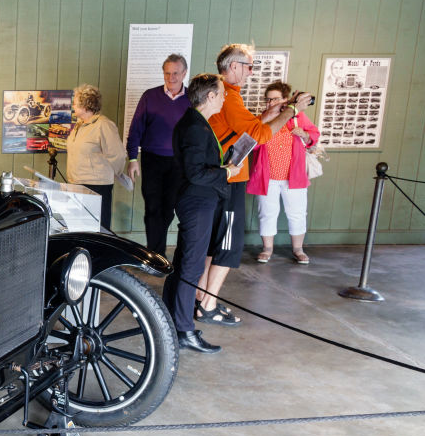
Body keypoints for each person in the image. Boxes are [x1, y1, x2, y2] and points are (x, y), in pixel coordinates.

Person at [196, 44, 313, 326]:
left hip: (222, 178)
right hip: (229, 179)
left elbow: (249, 127)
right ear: (234, 66)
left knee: (213, 244)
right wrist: (292, 110)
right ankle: (207, 305)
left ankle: (201, 299)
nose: (251, 72)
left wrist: (274, 111)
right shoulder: (229, 96)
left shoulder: (227, 94)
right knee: (226, 246)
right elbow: (259, 135)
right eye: (249, 66)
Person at [161, 73, 238, 354]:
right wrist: (226, 172)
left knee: (184, 262)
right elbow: (195, 173)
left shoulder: (195, 122)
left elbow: (198, 166)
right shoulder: (195, 126)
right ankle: (183, 330)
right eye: (222, 93)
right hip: (196, 202)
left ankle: (168, 320)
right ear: (210, 96)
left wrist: (223, 166)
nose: (225, 98)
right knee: (192, 267)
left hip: (195, 200)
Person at [125, 54, 191, 256]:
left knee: (168, 209)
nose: (171, 78)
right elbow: (136, 128)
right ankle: (156, 255)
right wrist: (133, 159)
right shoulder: (150, 96)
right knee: (152, 208)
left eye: (175, 73)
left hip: (179, 162)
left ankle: (156, 253)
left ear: (184, 73)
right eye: (167, 73)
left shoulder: (192, 99)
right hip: (152, 159)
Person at [248, 81, 321, 264]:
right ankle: (267, 249)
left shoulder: (298, 117)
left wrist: (304, 134)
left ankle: (298, 249)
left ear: (286, 100)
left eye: (275, 99)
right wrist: (264, 120)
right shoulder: (262, 118)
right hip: (267, 175)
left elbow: (314, 135)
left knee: (297, 213)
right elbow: (250, 143)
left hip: (293, 175)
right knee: (267, 213)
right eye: (268, 99)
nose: (271, 103)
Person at [66, 84, 126, 230]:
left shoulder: (104, 125)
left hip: (97, 187)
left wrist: (116, 173)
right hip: (76, 185)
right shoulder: (80, 125)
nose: (73, 105)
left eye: (75, 103)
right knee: (78, 229)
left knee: (97, 230)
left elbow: (118, 154)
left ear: (86, 105)